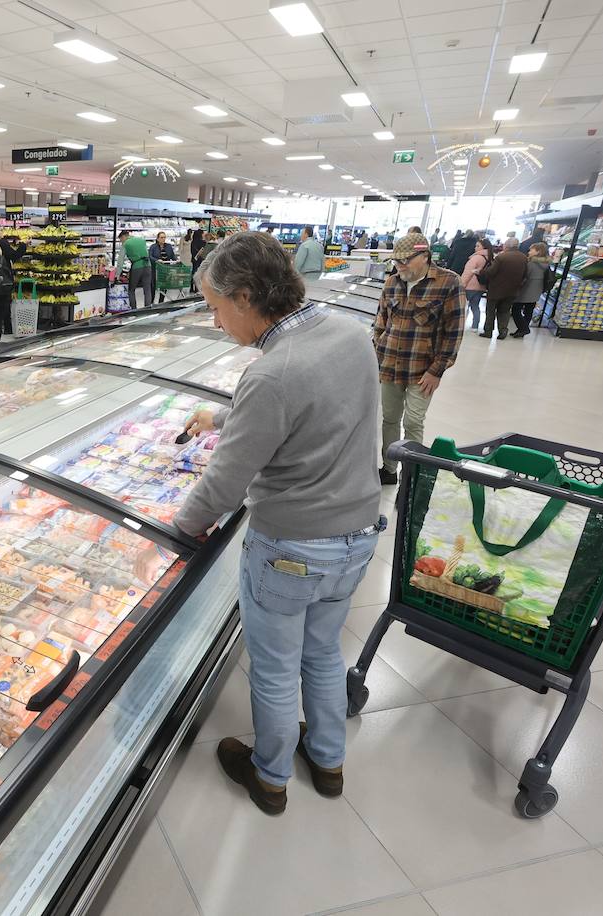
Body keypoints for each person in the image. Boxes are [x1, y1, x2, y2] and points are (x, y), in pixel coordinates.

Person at [173, 231, 384, 816]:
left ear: (245, 297)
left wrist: (178, 528)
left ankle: (269, 777)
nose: (216, 323)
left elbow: (223, 484)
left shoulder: (270, 373)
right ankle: (328, 761)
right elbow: (315, 412)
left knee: (273, 668)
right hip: (357, 538)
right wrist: (219, 415)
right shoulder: (348, 332)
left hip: (292, 547)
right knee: (322, 654)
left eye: (215, 308)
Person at [374, 232, 466, 485]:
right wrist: (377, 350)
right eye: (397, 261)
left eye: (406, 261)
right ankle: (389, 469)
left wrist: (437, 370)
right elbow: (381, 321)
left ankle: (411, 476)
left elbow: (454, 331)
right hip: (390, 364)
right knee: (389, 418)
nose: (400, 266)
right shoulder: (392, 282)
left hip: (422, 368)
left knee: (413, 421)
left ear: (425, 255)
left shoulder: (449, 283)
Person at [478, 237, 528, 340]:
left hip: (496, 289)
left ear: (507, 246)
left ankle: (488, 331)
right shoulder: (524, 258)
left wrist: (481, 271)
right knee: (504, 311)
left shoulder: (501, 257)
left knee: (491, 311)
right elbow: (525, 275)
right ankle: (503, 331)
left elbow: (491, 272)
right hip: (512, 290)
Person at [512, 243, 554, 338]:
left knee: (516, 310)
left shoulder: (531, 263)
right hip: (537, 289)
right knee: (528, 311)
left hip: (526, 289)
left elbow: (524, 277)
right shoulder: (546, 264)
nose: (529, 252)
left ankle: (524, 329)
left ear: (538, 252)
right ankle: (521, 331)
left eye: (531, 250)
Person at [458, 237, 493, 330]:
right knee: (475, 306)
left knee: (462, 306)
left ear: (483, 247)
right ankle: (475, 325)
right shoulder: (489, 258)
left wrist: (462, 284)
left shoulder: (476, 258)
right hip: (481, 286)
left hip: (470, 285)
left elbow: (468, 272)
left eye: (478, 246)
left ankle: (459, 324)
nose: (475, 248)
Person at [120, 229, 153, 310]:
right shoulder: (141, 240)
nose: (121, 242)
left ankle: (134, 309)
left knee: (131, 289)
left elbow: (120, 260)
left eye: (121, 240)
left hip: (137, 266)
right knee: (147, 289)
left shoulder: (126, 243)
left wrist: (118, 274)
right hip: (147, 265)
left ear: (124, 237)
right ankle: (147, 309)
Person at [149, 231, 177, 301]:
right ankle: (151, 301)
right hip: (155, 270)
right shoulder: (153, 247)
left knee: (164, 286)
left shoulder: (169, 246)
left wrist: (176, 260)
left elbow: (172, 256)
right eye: (161, 237)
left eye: (164, 237)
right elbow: (150, 256)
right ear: (157, 239)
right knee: (153, 286)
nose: (163, 239)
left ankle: (161, 301)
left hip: (165, 269)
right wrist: (157, 260)